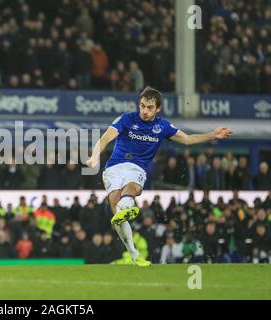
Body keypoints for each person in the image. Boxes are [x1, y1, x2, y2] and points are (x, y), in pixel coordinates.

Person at [86, 86, 233, 266]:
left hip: (136, 168)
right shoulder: (126, 119)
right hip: (114, 168)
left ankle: (125, 208)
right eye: (142, 106)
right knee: (117, 212)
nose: (145, 111)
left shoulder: (162, 126)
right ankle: (133, 251)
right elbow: (104, 139)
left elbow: (187, 140)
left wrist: (212, 135)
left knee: (132, 188)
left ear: (158, 109)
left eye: (149, 107)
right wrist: (94, 157)